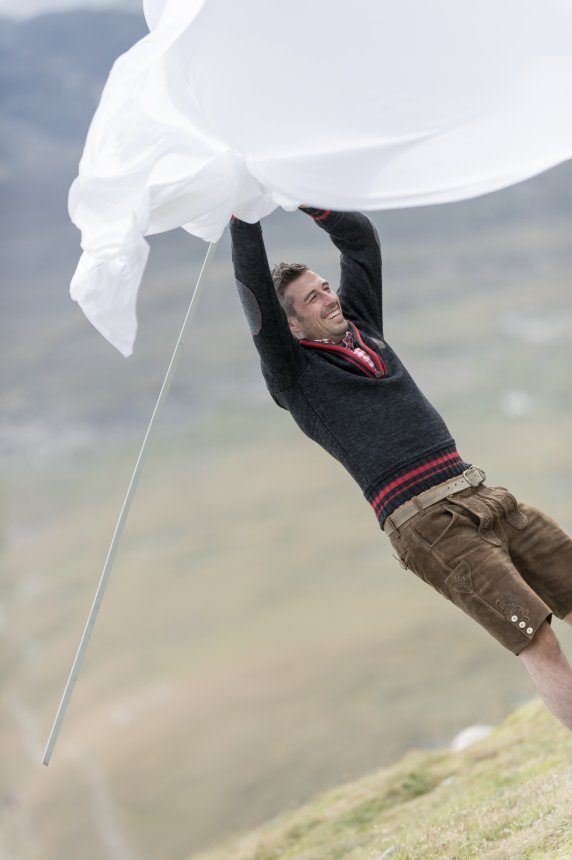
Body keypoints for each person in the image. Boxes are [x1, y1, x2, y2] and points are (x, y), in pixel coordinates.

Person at [229, 206, 572, 731]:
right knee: (538, 640)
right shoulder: (295, 375)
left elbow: (360, 240)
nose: (329, 297)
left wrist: (300, 196)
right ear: (290, 324)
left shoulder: (363, 325)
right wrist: (244, 212)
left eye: (325, 286)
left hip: (480, 490)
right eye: (313, 298)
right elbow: (254, 287)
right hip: (429, 525)